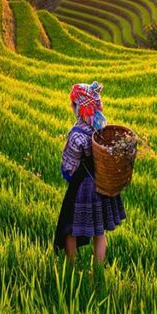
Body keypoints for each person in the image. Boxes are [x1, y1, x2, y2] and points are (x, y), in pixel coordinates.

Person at [53, 81, 126, 264]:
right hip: (102, 182)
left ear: (79, 108)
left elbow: (69, 165)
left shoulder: (77, 134)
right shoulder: (101, 130)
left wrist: (70, 177)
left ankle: (71, 265)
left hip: (82, 186)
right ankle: (98, 270)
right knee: (99, 231)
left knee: (70, 227)